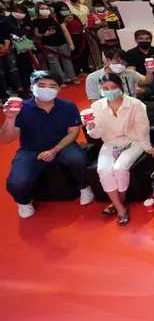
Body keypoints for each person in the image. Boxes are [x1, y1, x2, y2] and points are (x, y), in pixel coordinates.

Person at [1, 71, 92, 218]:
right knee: (16, 182)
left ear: (58, 89)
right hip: (31, 150)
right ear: (32, 87)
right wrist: (10, 118)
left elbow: (72, 133)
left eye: (52, 86)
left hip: (62, 146)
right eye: (41, 85)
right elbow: (5, 139)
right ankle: (24, 201)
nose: (46, 89)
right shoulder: (21, 109)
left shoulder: (68, 106)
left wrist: (55, 150)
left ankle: (84, 187)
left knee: (79, 159)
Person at [84, 73, 154, 225]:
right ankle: (119, 207)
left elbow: (143, 128)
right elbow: (97, 134)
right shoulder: (96, 107)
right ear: (100, 90)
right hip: (110, 142)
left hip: (133, 141)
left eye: (113, 87)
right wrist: (91, 126)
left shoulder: (135, 104)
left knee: (120, 168)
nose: (110, 91)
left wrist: (147, 147)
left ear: (121, 88)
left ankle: (119, 201)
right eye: (105, 88)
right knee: (103, 170)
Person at [85, 49, 154, 102]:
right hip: (109, 110)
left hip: (132, 106)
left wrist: (149, 72)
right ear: (108, 60)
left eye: (124, 62)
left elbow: (147, 81)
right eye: (117, 61)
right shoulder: (93, 77)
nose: (120, 65)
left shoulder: (129, 73)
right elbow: (94, 101)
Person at [125, 29, 154, 100]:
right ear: (136, 40)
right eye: (141, 39)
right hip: (144, 83)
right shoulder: (131, 53)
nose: (144, 41)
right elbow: (131, 71)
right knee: (138, 93)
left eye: (147, 39)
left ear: (150, 40)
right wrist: (135, 86)